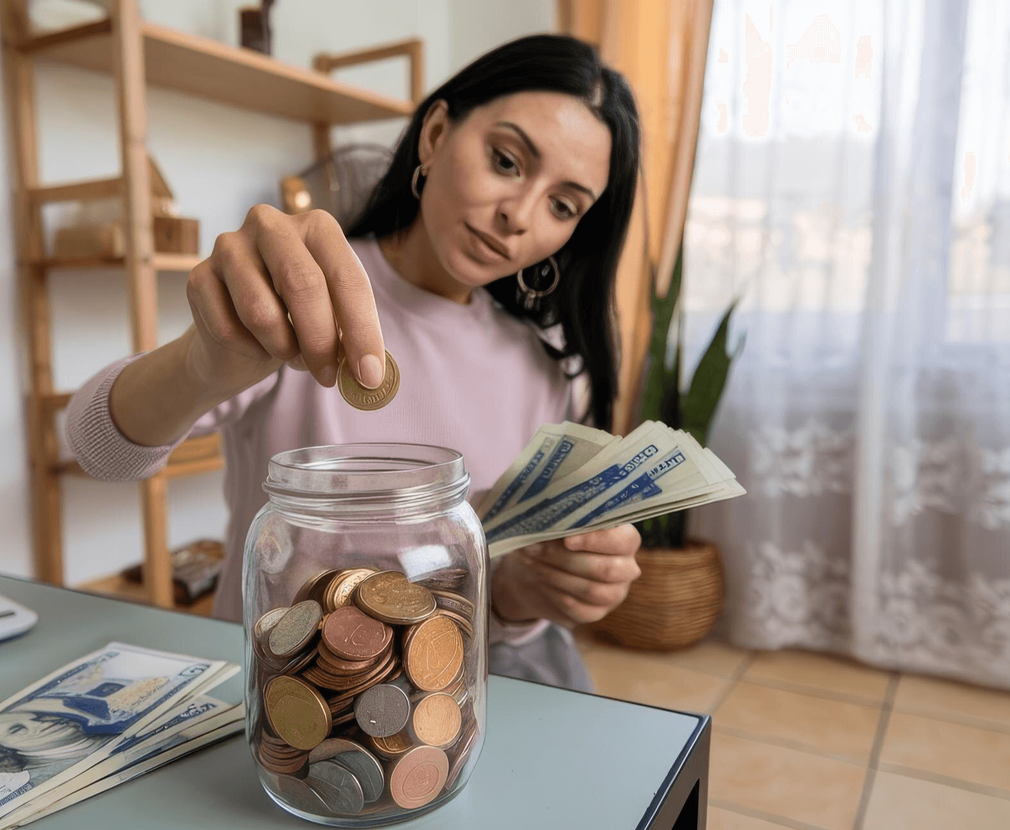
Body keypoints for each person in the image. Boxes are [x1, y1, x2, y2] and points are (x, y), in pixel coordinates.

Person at [66, 34, 644, 692]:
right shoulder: (303, 288)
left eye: (562, 205)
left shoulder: (541, 371)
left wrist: (527, 591)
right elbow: (94, 448)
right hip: (271, 706)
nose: (519, 215)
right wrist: (203, 366)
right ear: (434, 134)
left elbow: (473, 594)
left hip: (431, 720)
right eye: (506, 160)